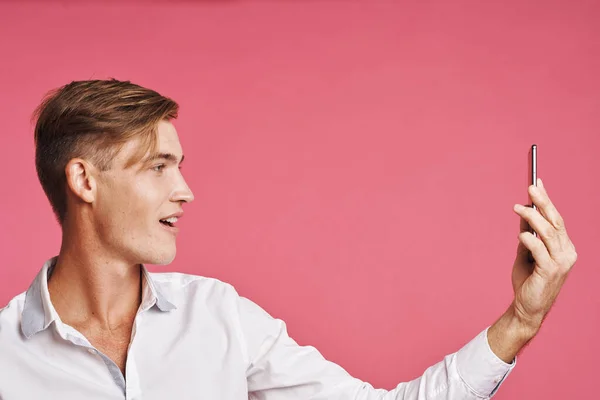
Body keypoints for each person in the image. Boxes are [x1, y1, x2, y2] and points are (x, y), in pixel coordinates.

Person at [0, 79, 577, 400]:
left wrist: (520, 323)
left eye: (181, 166)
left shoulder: (219, 317)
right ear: (84, 181)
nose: (186, 191)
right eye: (157, 167)